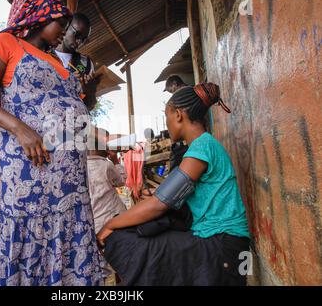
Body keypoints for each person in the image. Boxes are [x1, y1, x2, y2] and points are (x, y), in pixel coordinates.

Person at [0, 0, 102, 286]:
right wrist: (21, 129)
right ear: (39, 16)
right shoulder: (6, 43)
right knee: (30, 236)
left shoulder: (59, 62)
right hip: (31, 172)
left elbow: (75, 106)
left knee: (71, 242)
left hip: (71, 184)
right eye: (61, 24)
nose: (65, 33)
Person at [97, 83, 251, 286]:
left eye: (167, 115)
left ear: (178, 115)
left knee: (121, 237)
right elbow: (168, 195)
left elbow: (160, 204)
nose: (167, 122)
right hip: (220, 239)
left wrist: (109, 225)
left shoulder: (201, 149)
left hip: (224, 243)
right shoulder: (201, 146)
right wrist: (155, 194)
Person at [87, 127, 126, 285]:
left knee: (99, 264)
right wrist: (116, 161)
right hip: (115, 219)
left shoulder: (79, 167)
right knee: (123, 259)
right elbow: (121, 181)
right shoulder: (106, 164)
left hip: (94, 223)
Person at [52, 13, 98, 110]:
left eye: (83, 39)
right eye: (77, 35)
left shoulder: (86, 64)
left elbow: (89, 106)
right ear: (66, 26)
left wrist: (90, 92)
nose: (79, 41)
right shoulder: (44, 53)